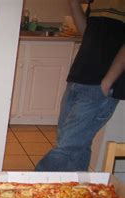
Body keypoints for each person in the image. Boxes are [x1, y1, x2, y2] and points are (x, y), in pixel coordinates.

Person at [36, 0, 124, 172]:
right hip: (79, 76)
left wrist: (107, 82)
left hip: (100, 84)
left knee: (66, 148)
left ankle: (29, 190)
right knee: (77, 146)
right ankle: (77, 192)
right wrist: (74, 4)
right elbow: (87, 33)